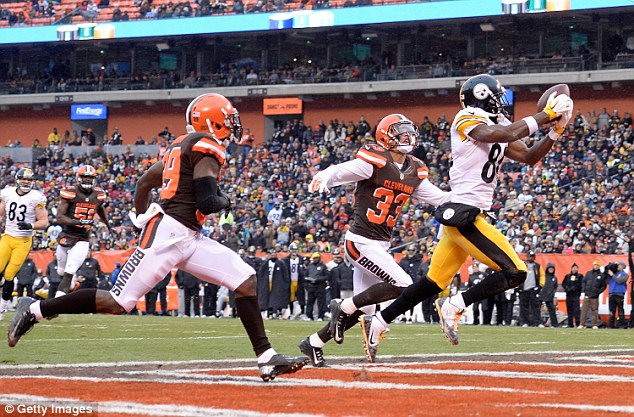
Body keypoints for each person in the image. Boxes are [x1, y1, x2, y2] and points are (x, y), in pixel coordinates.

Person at [8, 93, 308, 381]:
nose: (232, 124)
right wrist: (226, 201)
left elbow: (143, 183)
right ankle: (34, 310)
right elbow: (207, 201)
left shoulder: (181, 145)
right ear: (212, 121)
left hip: (187, 235)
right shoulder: (207, 146)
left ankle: (266, 358)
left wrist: (141, 217)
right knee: (118, 302)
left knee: (245, 279)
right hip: (168, 234)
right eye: (228, 118)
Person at [358, 74, 573, 361]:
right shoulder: (466, 117)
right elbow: (504, 135)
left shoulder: (496, 126)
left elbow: (529, 156)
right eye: (498, 95)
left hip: (464, 215)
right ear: (483, 95)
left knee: (432, 282)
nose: (502, 101)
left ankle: (379, 322)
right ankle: (456, 304)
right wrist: (546, 116)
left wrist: (555, 131)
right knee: (516, 272)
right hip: (465, 213)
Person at [300, 113, 451, 367]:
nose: (408, 136)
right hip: (360, 241)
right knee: (403, 283)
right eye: (400, 131)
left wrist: (472, 199)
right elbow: (342, 170)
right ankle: (343, 305)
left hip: (380, 244)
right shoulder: (374, 161)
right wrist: (325, 176)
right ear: (386, 136)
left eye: (409, 131)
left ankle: (314, 342)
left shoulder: (415, 170)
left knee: (365, 309)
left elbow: (440, 198)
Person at [53, 165, 113, 298]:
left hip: (83, 238)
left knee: (69, 271)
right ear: (78, 178)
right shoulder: (70, 193)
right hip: (67, 235)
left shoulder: (99, 195)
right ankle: (73, 284)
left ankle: (56, 303)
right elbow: (59, 217)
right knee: (62, 271)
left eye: (90, 177)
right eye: (84, 177)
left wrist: (108, 224)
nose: (87, 180)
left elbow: (100, 208)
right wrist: (78, 222)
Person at [0, 168, 49, 321]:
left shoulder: (36, 197)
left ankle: (2, 307)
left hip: (23, 241)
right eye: (23, 179)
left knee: (9, 275)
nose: (26, 182)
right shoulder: (7, 193)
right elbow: (0, 214)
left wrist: (31, 225)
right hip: (7, 237)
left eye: (29, 180)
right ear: (17, 179)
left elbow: (44, 222)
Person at [257, 248, 290, 319]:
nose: (273, 256)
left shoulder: (281, 263)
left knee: (277, 299)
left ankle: (278, 313)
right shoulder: (265, 263)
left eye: (274, 254)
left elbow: (285, 275)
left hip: (277, 283)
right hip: (267, 283)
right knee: (266, 298)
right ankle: (269, 313)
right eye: (272, 254)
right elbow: (261, 274)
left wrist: (285, 284)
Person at [579, 260, 608, 329]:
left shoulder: (601, 275)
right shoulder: (588, 273)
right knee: (584, 310)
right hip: (587, 295)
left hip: (595, 296)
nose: (596, 266)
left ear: (599, 266)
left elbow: (603, 286)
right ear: (593, 265)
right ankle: (582, 324)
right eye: (595, 265)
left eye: (597, 265)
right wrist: (585, 290)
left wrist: (598, 292)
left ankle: (594, 324)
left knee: (594, 310)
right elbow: (584, 282)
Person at [518, 251, 544, 327]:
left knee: (536, 307)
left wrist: (540, 285)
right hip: (524, 289)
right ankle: (524, 322)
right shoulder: (522, 265)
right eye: (529, 256)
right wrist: (518, 287)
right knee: (523, 307)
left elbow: (542, 276)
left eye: (532, 256)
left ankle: (538, 322)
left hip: (533, 289)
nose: (531, 258)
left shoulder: (538, 266)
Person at [281, 242, 306, 319]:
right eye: (293, 249)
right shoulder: (285, 260)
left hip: (299, 281)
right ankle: (291, 313)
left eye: (296, 249)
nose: (294, 251)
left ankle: (302, 313)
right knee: (290, 298)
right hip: (290, 281)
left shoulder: (301, 259)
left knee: (301, 297)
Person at [304, 252, 328, 321]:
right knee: (310, 302)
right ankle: (309, 316)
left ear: (319, 258)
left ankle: (320, 316)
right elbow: (305, 276)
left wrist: (318, 279)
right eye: (314, 258)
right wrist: (308, 282)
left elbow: (327, 276)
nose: (315, 259)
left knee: (321, 302)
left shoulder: (323, 266)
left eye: (316, 258)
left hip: (320, 285)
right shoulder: (309, 266)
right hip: (311, 286)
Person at [607, 262, 628, 328]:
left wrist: (612, 275)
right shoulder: (613, 273)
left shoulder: (625, 275)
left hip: (619, 294)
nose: (618, 266)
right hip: (612, 293)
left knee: (620, 310)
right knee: (611, 311)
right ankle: (611, 325)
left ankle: (621, 324)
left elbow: (620, 281)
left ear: (623, 267)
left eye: (619, 265)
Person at [562, 263, 582, 328]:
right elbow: (563, 284)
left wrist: (575, 288)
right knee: (569, 310)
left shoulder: (580, 276)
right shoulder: (567, 276)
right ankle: (570, 324)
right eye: (573, 268)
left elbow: (581, 284)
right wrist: (567, 288)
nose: (574, 269)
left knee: (576, 310)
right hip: (569, 295)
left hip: (576, 295)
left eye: (576, 268)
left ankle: (578, 323)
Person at [541, 262, 559, 327]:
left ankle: (555, 324)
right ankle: (538, 323)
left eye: (552, 268)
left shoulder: (554, 277)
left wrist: (552, 294)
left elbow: (555, 287)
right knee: (537, 310)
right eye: (550, 268)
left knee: (552, 311)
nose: (551, 270)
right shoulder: (543, 276)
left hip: (550, 296)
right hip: (541, 295)